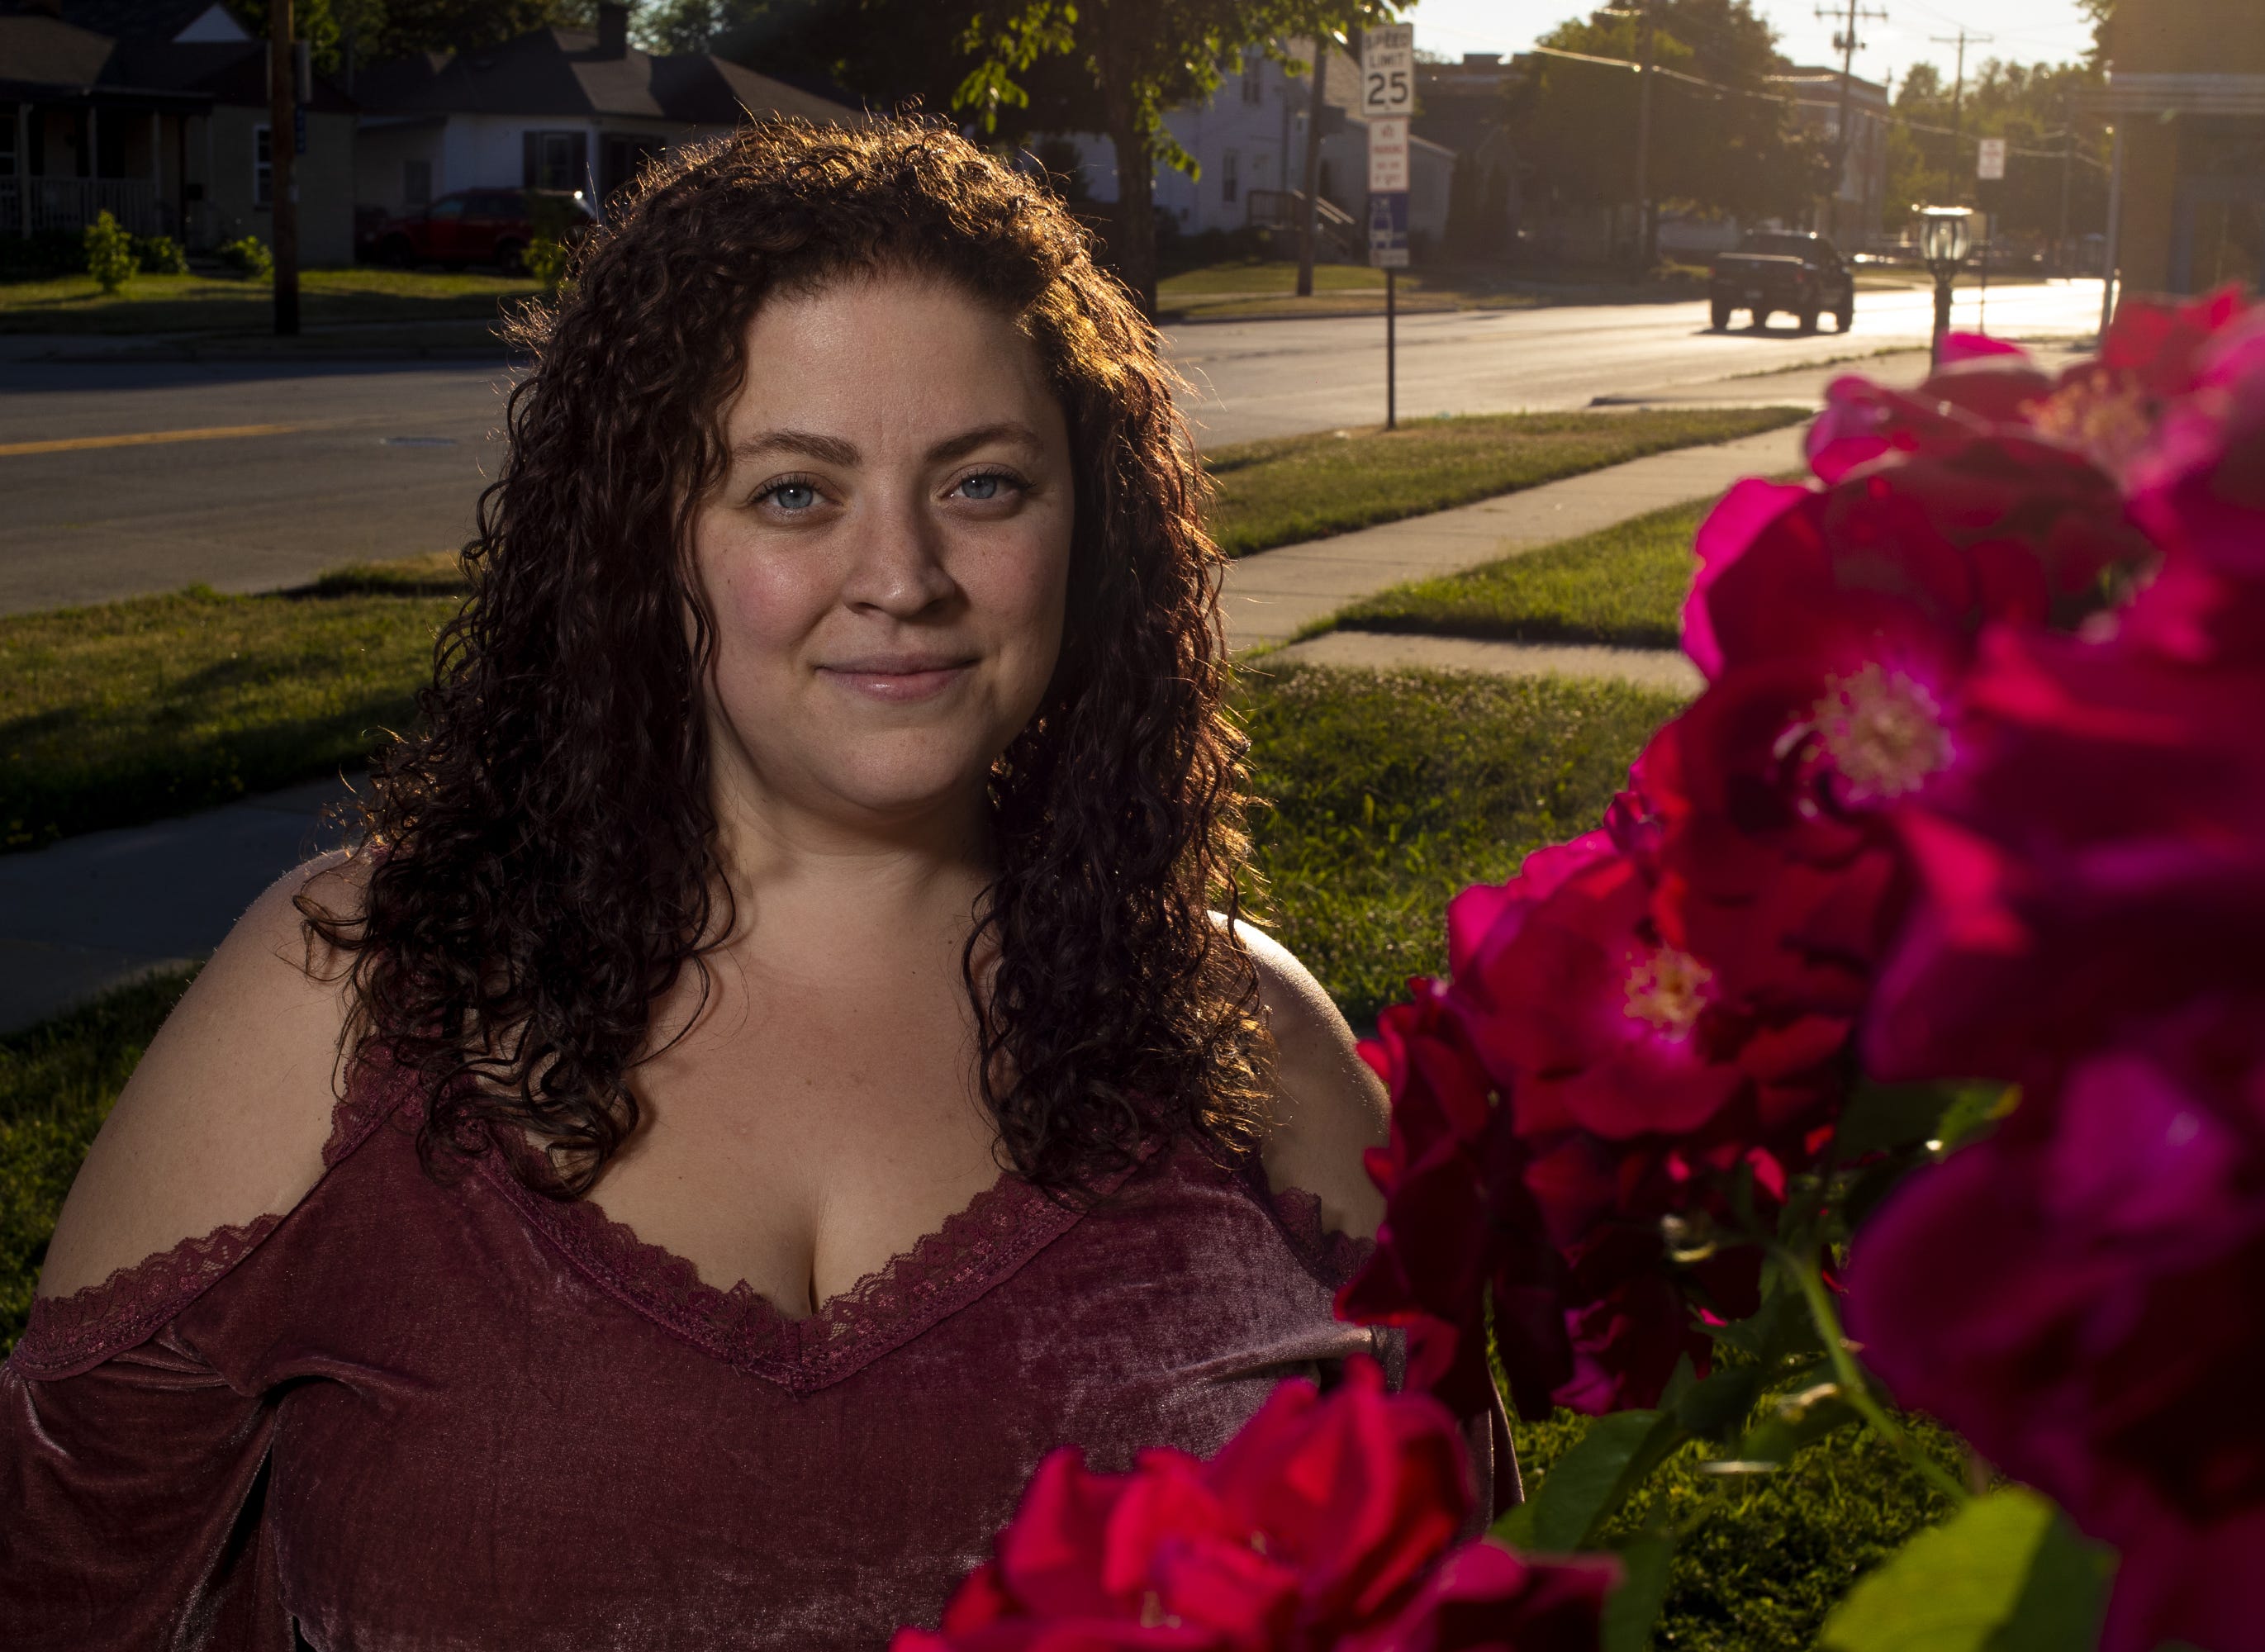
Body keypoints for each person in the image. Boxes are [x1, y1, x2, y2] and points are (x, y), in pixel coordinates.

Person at [2, 121, 1512, 1650]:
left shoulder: (1247, 1042)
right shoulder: (349, 1003)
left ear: (1092, 524)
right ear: (648, 538)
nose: (903, 576)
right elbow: (58, 1595)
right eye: (794, 494)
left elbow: (1461, 1598)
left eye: (984, 484)